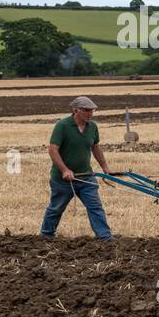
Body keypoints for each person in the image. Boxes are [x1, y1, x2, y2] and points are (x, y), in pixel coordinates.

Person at [42, 96, 113, 239]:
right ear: (76, 110)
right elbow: (53, 149)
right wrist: (64, 170)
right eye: (86, 111)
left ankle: (105, 237)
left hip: (86, 176)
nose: (90, 114)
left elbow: (95, 147)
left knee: (95, 207)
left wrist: (105, 167)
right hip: (63, 180)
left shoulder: (92, 127)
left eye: (91, 111)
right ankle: (46, 235)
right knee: (56, 208)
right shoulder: (63, 125)